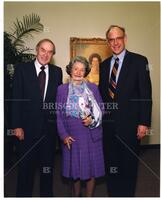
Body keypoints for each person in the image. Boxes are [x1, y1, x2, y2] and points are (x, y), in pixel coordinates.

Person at [99, 25, 152, 197]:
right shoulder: (104, 65)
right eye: (111, 39)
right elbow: (102, 96)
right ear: (108, 42)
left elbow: (145, 94)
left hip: (130, 127)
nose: (115, 43)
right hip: (108, 128)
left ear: (125, 38)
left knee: (129, 167)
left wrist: (144, 123)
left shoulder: (139, 61)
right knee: (111, 167)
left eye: (118, 38)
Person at [11, 38, 62, 197]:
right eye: (43, 50)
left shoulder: (57, 71)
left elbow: (58, 101)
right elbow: (15, 99)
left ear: (52, 54)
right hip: (26, 131)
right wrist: (16, 126)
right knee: (25, 170)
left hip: (48, 132)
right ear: (37, 50)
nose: (46, 54)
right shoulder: (22, 69)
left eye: (50, 52)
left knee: (47, 170)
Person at [56, 56, 105, 197]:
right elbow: (58, 114)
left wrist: (92, 119)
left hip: (91, 134)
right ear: (70, 70)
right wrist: (63, 135)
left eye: (82, 70)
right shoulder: (61, 89)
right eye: (75, 69)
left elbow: (102, 110)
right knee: (75, 171)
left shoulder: (93, 88)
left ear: (86, 72)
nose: (78, 72)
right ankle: (76, 196)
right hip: (72, 136)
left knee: (91, 170)